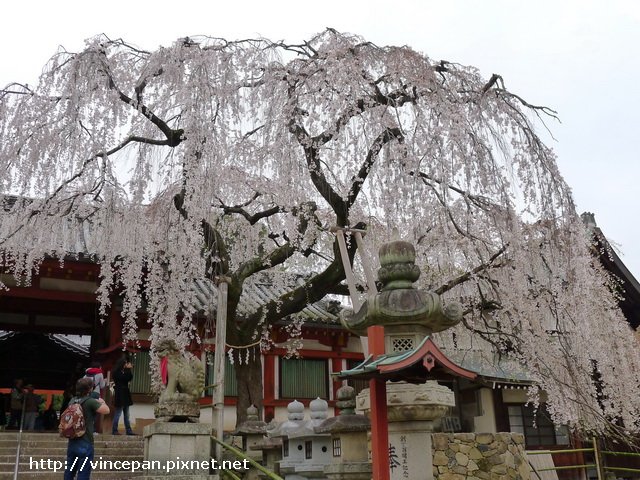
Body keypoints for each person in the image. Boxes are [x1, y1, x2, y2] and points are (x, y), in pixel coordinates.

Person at [64, 377, 109, 480]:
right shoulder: (90, 401)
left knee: (69, 471)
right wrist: (102, 401)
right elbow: (106, 411)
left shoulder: (72, 401)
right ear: (90, 389)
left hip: (73, 440)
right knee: (83, 473)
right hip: (85, 440)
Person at [111, 355, 134, 435]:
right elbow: (125, 378)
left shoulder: (122, 371)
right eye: (125, 364)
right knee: (118, 412)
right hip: (120, 393)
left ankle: (129, 430)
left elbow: (130, 378)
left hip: (124, 393)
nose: (126, 365)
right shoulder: (116, 372)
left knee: (127, 414)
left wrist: (128, 370)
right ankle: (114, 430)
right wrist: (128, 369)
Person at [84, 362, 106, 433]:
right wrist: (105, 381)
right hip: (95, 393)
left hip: (87, 394)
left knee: (87, 411)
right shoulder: (100, 373)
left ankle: (85, 429)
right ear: (99, 367)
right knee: (95, 411)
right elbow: (102, 386)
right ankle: (92, 430)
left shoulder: (86, 374)